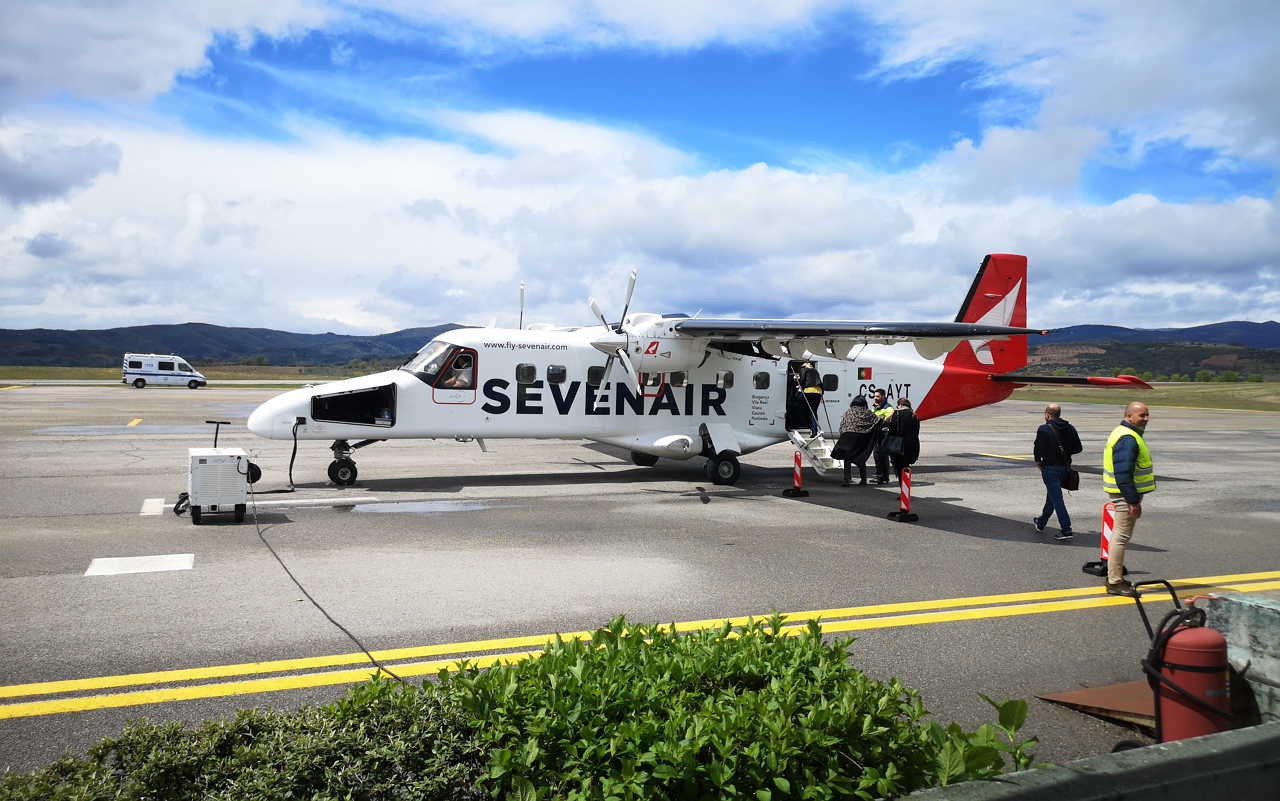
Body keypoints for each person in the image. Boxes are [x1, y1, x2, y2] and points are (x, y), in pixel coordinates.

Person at [1102, 401, 1156, 597]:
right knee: (1121, 537)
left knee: (1119, 536)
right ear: (1129, 416)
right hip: (1124, 495)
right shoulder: (1128, 438)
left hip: (1122, 494)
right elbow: (1123, 473)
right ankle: (1115, 581)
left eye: (1147, 415)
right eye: (1142, 415)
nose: (1146, 419)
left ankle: (1114, 577)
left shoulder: (1125, 433)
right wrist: (1133, 501)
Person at [1032, 403, 1083, 541]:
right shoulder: (1070, 428)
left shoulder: (1043, 429)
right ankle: (1041, 523)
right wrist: (1065, 453)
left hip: (1050, 469)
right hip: (1065, 468)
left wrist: (1038, 461)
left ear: (1048, 414)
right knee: (1052, 497)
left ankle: (1066, 529)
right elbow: (1078, 448)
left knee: (1057, 499)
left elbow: (1038, 449)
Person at [833, 396, 882, 486]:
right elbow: (878, 421)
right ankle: (863, 480)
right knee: (860, 458)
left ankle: (846, 481)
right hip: (861, 438)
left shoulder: (848, 412)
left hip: (847, 437)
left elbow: (842, 425)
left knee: (847, 459)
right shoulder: (867, 412)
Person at [885, 397, 920, 483]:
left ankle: (904, 491)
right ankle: (905, 491)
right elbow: (916, 431)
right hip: (912, 445)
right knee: (906, 467)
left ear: (900, 404)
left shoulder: (896, 414)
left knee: (900, 468)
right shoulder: (914, 415)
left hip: (899, 445)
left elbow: (891, 429)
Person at [870, 389, 894, 483]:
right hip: (877, 434)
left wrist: (880, 419)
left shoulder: (888, 408)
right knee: (876, 455)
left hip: (884, 434)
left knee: (882, 455)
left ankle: (884, 476)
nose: (875, 398)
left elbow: (887, 420)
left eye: (878, 396)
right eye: (874, 396)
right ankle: (879, 475)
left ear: (883, 397)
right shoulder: (876, 408)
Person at [798, 361, 823, 437]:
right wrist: (822, 395)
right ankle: (814, 432)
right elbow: (820, 382)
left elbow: (802, 381)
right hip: (818, 392)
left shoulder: (804, 369)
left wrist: (797, 379)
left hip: (808, 391)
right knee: (814, 412)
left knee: (798, 401)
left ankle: (805, 424)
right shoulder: (815, 370)